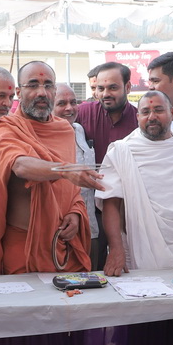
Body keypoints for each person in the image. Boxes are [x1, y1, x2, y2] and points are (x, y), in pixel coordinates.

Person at [0, 61, 102, 275]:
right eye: (32, 85)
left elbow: (69, 189)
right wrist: (65, 170)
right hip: (23, 247)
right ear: (19, 92)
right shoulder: (6, 128)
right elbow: (20, 165)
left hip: (62, 246)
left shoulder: (64, 130)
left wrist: (75, 212)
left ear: (54, 90)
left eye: (48, 85)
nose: (42, 92)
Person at [97, 91, 173, 276]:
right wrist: (115, 248)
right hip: (138, 247)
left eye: (158, 110)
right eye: (146, 112)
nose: (152, 117)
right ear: (138, 116)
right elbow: (110, 203)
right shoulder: (121, 151)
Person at [53, 83, 100, 261]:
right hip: (64, 226)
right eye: (61, 103)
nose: (69, 108)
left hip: (90, 224)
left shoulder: (79, 129)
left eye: (73, 102)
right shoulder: (43, 137)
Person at [76, 61, 137, 164]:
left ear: (127, 87)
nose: (105, 94)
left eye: (113, 88)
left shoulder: (140, 120)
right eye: (101, 88)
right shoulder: (82, 113)